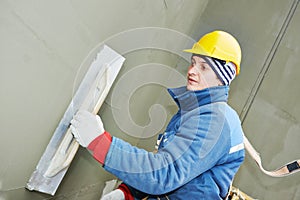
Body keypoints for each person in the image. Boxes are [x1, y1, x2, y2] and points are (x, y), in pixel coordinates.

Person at [70, 30, 245, 200]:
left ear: (223, 76)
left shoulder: (215, 120)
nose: (191, 70)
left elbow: (165, 175)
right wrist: (129, 192)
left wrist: (100, 144)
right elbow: (166, 162)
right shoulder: (196, 110)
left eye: (204, 67)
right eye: (193, 62)